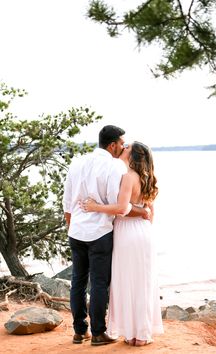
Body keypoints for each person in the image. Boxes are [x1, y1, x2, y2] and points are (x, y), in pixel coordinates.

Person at [63, 126, 150, 346]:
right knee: (99, 283)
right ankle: (98, 333)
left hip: (77, 232)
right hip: (100, 233)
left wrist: (72, 227)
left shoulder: (77, 162)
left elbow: (67, 201)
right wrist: (142, 211)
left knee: (78, 281)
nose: (123, 147)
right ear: (112, 145)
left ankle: (79, 331)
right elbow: (120, 207)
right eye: (121, 143)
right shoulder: (114, 168)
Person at [81, 141, 164, 346]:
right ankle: (141, 333)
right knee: (142, 283)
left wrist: (94, 207)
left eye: (126, 148)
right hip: (144, 233)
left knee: (126, 282)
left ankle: (132, 333)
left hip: (127, 233)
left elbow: (120, 208)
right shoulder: (147, 178)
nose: (122, 148)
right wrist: (142, 220)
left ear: (132, 156)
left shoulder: (128, 177)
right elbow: (151, 213)